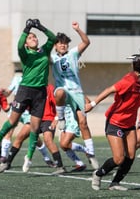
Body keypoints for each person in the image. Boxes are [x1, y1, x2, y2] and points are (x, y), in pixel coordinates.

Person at [85, 41, 140, 191]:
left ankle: (115, 183)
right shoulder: (129, 81)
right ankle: (98, 173)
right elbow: (109, 89)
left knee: (131, 155)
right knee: (119, 158)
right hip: (115, 122)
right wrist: (92, 104)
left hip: (129, 125)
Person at [0, 18, 56, 172]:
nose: (33, 39)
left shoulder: (44, 51)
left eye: (34, 37)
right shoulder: (25, 53)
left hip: (40, 92)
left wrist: (40, 26)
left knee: (34, 128)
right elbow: (19, 44)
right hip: (25, 90)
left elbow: (53, 38)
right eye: (30, 38)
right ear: (27, 43)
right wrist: (26, 30)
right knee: (13, 122)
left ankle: (28, 157)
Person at [51, 21, 99, 170]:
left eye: (65, 43)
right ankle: (61, 119)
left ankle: (90, 154)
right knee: (59, 92)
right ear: (55, 45)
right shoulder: (52, 58)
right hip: (64, 97)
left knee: (83, 123)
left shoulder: (73, 54)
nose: (63, 45)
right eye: (60, 43)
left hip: (77, 93)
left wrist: (78, 30)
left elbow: (86, 42)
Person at [0, 84, 66, 174]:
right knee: (20, 137)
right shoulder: (30, 88)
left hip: (48, 119)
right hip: (34, 119)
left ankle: (60, 167)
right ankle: (7, 163)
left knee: (48, 140)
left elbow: (58, 104)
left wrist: (56, 119)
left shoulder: (50, 88)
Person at [0, 69, 54, 167]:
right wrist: (4, 93)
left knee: (32, 135)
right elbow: (8, 92)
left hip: (28, 112)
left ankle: (46, 158)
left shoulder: (37, 81)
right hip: (17, 108)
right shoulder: (17, 78)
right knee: (9, 130)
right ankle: (3, 158)